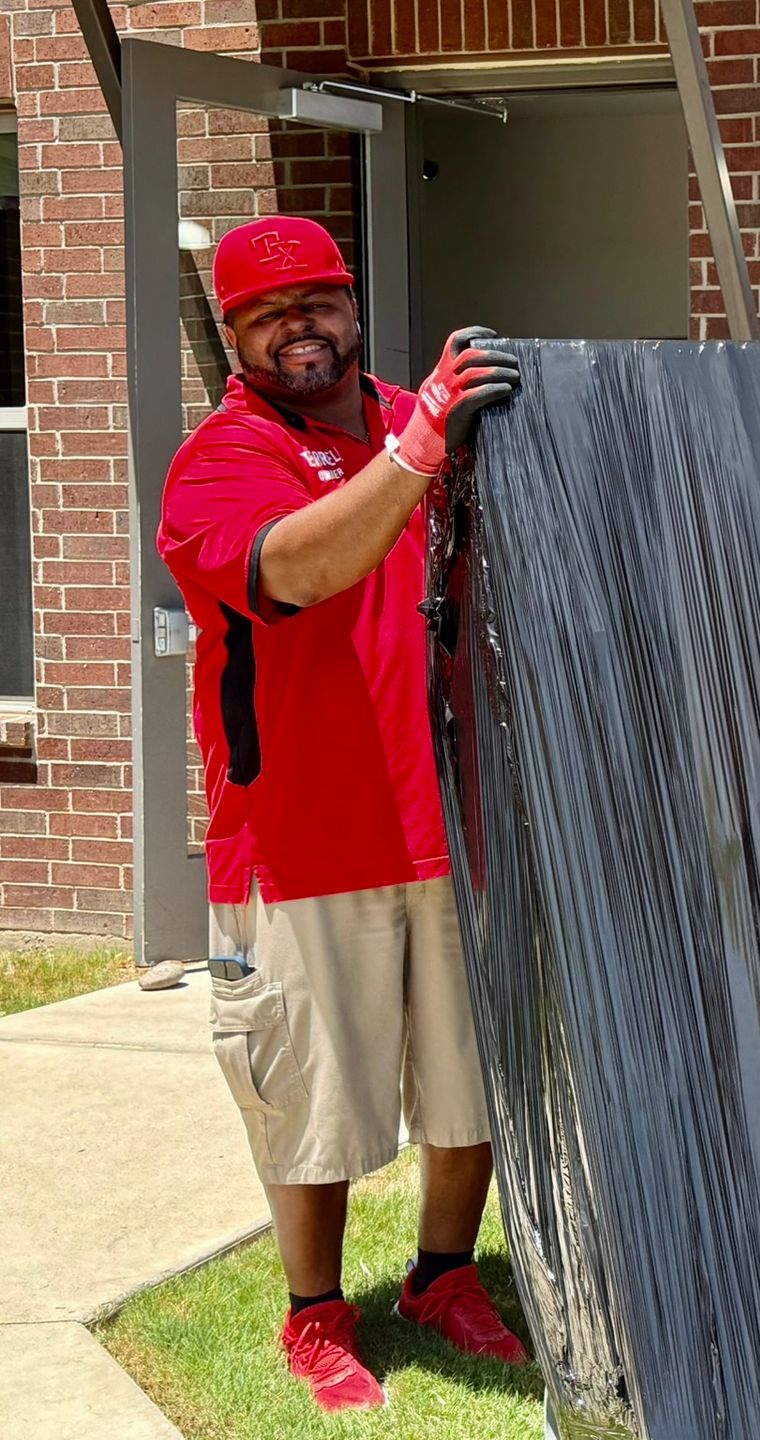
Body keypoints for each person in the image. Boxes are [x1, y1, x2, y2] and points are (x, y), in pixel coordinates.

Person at [157, 216, 525, 1413]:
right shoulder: (222, 457)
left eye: (315, 302)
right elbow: (301, 569)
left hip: (451, 824)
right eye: (266, 315)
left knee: (469, 1082)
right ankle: (316, 1313)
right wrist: (418, 451)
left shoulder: (425, 419)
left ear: (354, 306)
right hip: (301, 840)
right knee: (306, 1095)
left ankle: (442, 1278)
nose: (296, 328)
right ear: (233, 336)